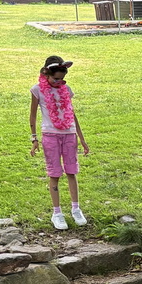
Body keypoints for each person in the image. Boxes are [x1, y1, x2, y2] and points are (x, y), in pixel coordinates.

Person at [29, 55, 90, 230]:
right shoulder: (37, 90)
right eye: (55, 79)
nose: (59, 82)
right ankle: (57, 213)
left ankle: (76, 209)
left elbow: (72, 113)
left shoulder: (66, 89)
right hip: (50, 135)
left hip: (69, 134)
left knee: (72, 171)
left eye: (62, 79)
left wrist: (81, 138)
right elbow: (32, 115)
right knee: (54, 173)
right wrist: (34, 138)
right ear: (46, 74)